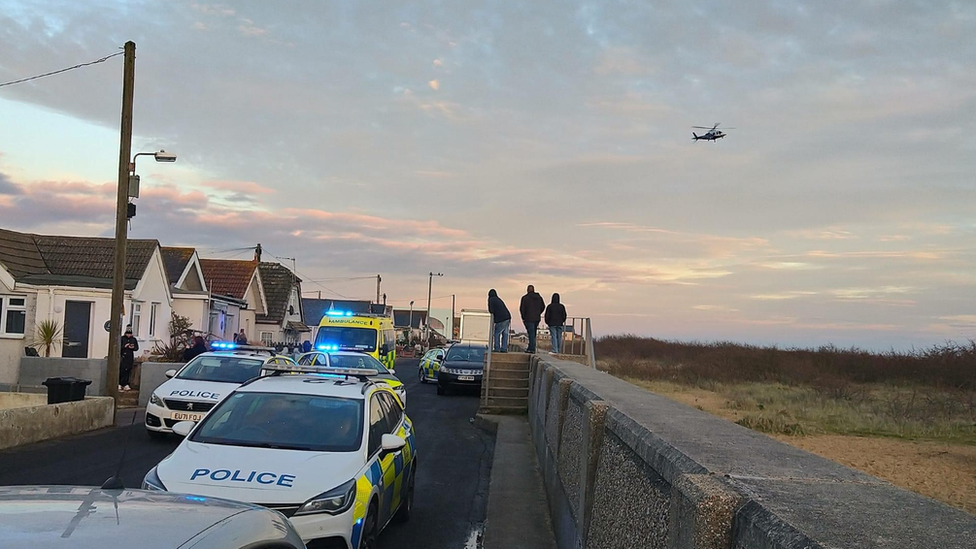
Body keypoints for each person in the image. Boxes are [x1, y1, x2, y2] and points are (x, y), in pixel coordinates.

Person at [519, 285, 546, 353]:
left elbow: (522, 309)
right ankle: (531, 347)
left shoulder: (525, 298)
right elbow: (543, 306)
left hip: (528, 318)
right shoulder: (539, 298)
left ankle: (531, 349)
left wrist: (523, 317)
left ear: (527, 290)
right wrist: (538, 313)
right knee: (533, 333)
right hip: (536, 318)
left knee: (531, 333)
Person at [120, 327, 139, 391]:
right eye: (127, 334)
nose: (129, 335)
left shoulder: (133, 339)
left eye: (130, 334)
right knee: (121, 371)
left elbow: (136, 348)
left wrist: (132, 347)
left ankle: (126, 384)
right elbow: (119, 347)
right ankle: (120, 383)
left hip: (130, 357)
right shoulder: (122, 339)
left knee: (128, 371)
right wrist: (124, 346)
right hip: (123, 357)